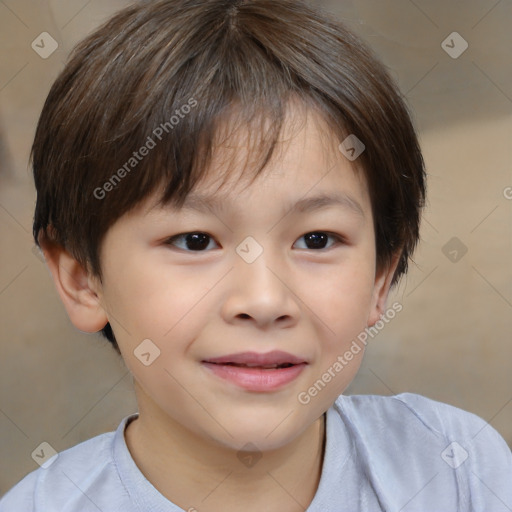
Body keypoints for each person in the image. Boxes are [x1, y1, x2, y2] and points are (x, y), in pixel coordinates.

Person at [1, 0, 511, 510]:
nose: (265, 300)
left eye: (316, 240)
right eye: (195, 241)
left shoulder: (456, 469)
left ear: (380, 279)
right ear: (82, 280)